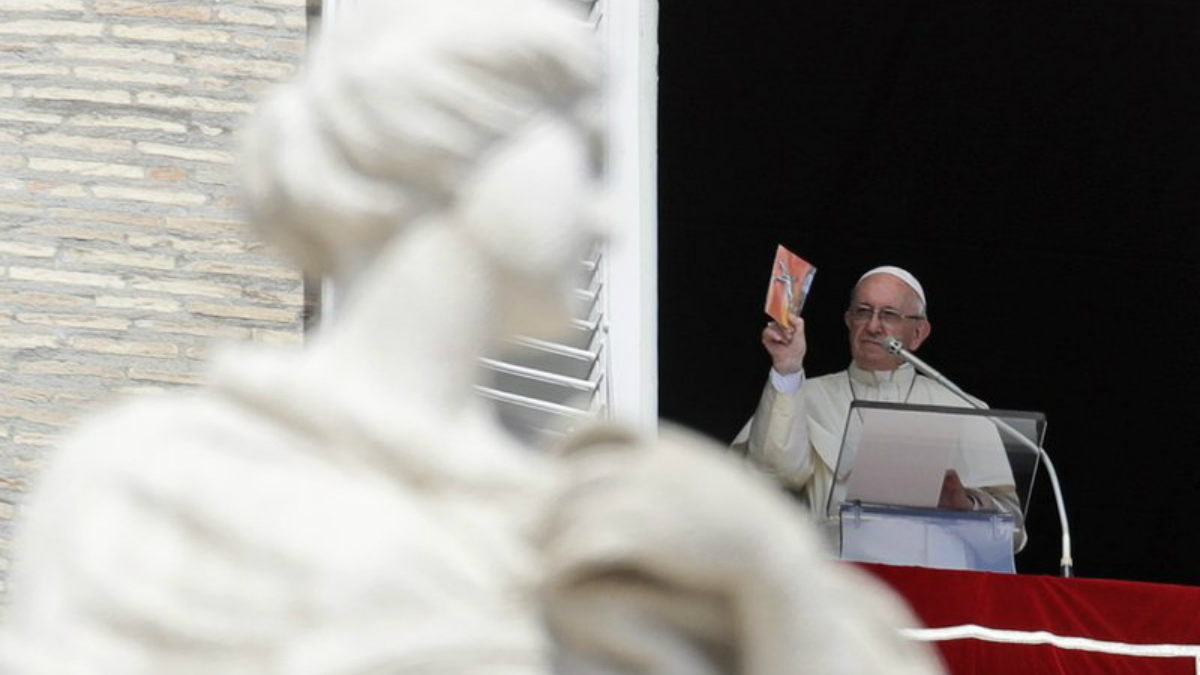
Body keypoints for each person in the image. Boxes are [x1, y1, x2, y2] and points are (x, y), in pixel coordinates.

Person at [0, 2, 946, 674]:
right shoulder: (157, 484)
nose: (612, 215)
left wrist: (770, 575)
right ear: (442, 149)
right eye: (581, 157)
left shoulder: (592, 525)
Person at [733, 265, 1026, 550]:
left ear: (918, 333)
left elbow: (1013, 533)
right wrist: (787, 369)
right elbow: (768, 474)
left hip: (934, 582)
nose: (873, 326)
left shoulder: (962, 407)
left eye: (888, 314)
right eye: (863, 311)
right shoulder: (805, 394)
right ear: (848, 321)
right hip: (840, 576)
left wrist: (966, 503)